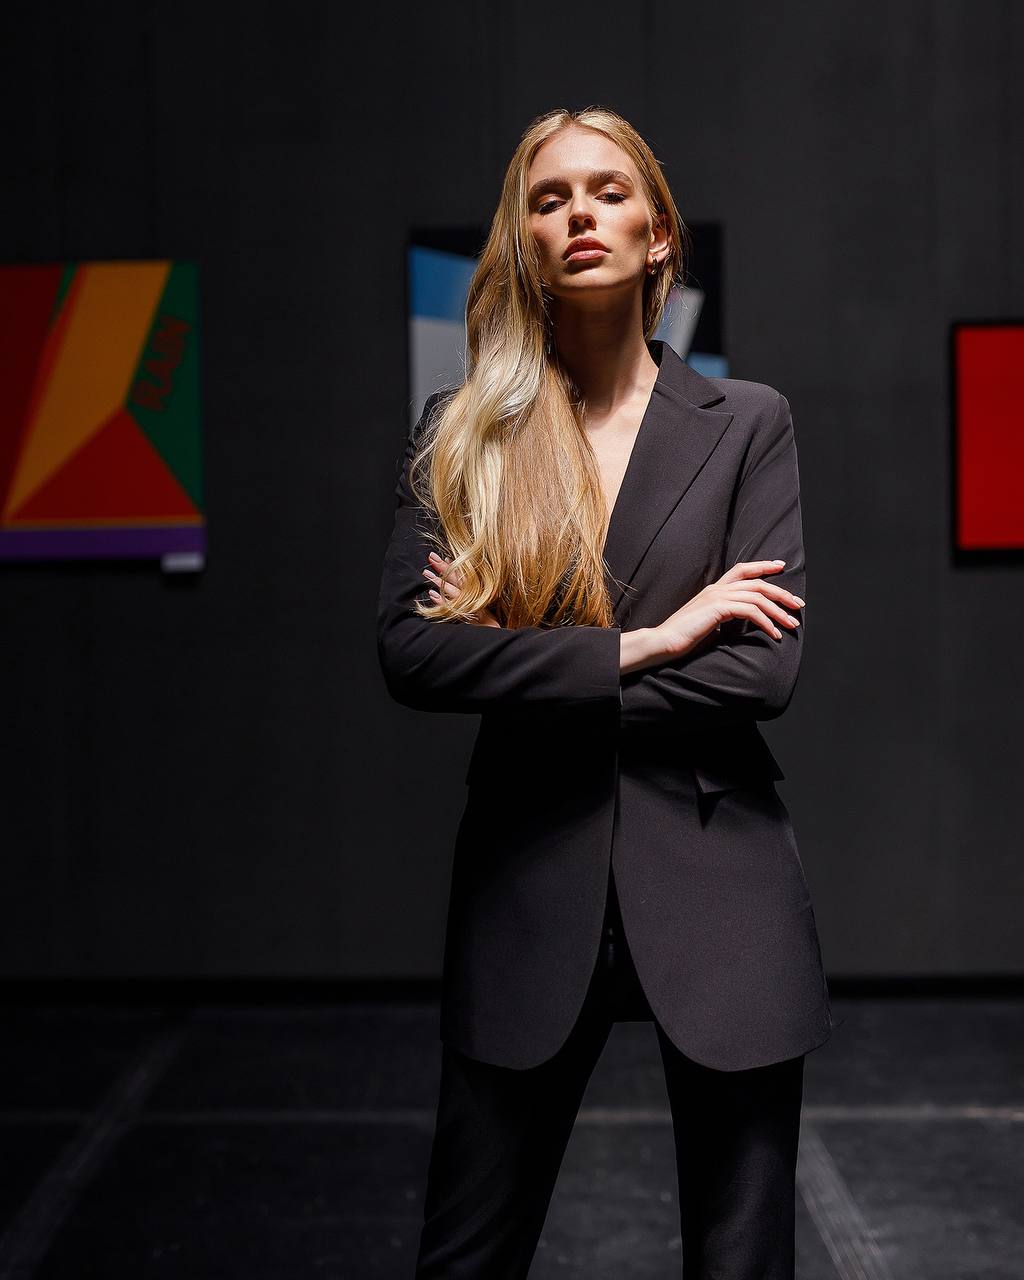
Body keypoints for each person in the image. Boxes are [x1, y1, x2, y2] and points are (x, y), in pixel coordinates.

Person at [376, 104, 835, 1279]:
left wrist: (524, 661)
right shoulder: (461, 435)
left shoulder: (748, 424)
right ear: (524, 240)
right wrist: (648, 642)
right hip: (528, 884)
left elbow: (761, 669)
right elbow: (413, 653)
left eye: (609, 190)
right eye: (549, 197)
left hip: (721, 887)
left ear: (658, 234)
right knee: (464, 1257)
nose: (579, 213)